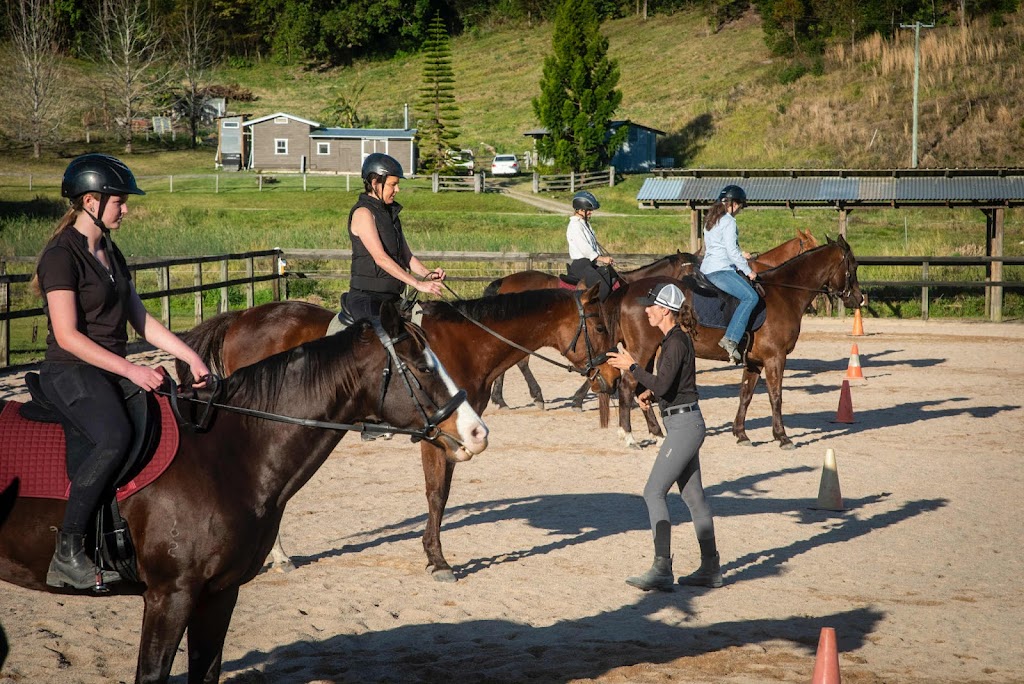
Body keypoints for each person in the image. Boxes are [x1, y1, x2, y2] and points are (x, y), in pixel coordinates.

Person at [34, 153, 210, 590]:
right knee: (114, 437)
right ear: (90, 201)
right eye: (120, 201)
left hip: (106, 368)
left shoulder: (111, 252)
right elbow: (69, 335)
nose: (125, 209)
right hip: (71, 369)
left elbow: (141, 320)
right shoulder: (61, 256)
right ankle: (68, 550)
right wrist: (132, 370)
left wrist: (189, 356)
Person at [607, 283, 722, 591]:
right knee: (694, 498)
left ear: (666, 311)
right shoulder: (674, 341)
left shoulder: (674, 343)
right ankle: (711, 568)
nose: (647, 310)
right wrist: (649, 395)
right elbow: (670, 387)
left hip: (684, 426)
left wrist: (631, 366)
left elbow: (663, 384)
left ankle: (661, 569)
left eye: (652, 306)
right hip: (685, 423)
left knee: (653, 492)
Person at [344, 153, 445, 320]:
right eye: (393, 184)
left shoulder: (391, 214)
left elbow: (407, 256)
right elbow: (380, 259)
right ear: (375, 183)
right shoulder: (363, 213)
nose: (397, 190)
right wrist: (418, 284)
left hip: (392, 298)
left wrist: (429, 275)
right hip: (367, 299)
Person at [700, 184, 758, 364]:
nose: (739, 210)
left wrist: (741, 255)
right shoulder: (729, 221)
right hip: (721, 270)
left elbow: (719, 247)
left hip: (707, 268)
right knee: (751, 297)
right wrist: (749, 271)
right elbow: (731, 252)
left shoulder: (712, 219)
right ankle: (731, 338)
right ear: (733, 203)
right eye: (739, 206)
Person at [566, 190, 618, 301]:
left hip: (589, 263)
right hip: (581, 265)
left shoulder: (584, 224)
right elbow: (585, 248)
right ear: (580, 210)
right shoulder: (575, 226)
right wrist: (602, 259)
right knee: (603, 288)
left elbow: (593, 244)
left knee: (612, 275)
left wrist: (603, 257)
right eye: (588, 210)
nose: (590, 212)